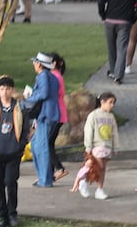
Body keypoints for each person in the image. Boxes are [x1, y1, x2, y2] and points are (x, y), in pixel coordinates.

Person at [0, 76, 28, 227]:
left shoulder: (19, 107)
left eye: (8, 88)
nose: (5, 91)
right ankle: (2, 216)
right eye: (2, 89)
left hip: (13, 153)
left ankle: (12, 213)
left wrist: (20, 146)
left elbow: (25, 129)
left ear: (12, 90)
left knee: (11, 182)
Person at [98, 0, 137, 83]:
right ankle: (118, 75)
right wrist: (133, 18)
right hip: (125, 21)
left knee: (111, 47)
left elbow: (101, 1)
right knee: (122, 48)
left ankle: (112, 71)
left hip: (110, 19)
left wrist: (103, 15)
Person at [23, 52, 60, 187]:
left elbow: (43, 94)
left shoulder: (43, 76)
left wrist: (29, 97)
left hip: (45, 115)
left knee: (41, 146)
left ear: (39, 64)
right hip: (47, 114)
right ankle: (44, 178)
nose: (34, 64)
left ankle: (45, 180)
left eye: (35, 62)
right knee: (36, 145)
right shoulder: (52, 77)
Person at [73, 92, 119, 200]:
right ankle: (83, 182)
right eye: (110, 102)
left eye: (113, 103)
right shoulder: (93, 115)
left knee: (102, 169)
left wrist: (115, 146)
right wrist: (88, 146)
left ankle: (99, 189)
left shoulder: (111, 117)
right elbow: (88, 131)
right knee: (97, 167)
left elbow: (114, 132)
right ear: (102, 102)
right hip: (96, 146)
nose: (112, 105)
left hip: (107, 146)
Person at [47, 51, 69, 182]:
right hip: (58, 113)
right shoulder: (56, 75)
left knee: (48, 144)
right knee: (49, 143)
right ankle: (49, 174)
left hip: (57, 114)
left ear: (54, 63)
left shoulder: (55, 76)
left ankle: (59, 168)